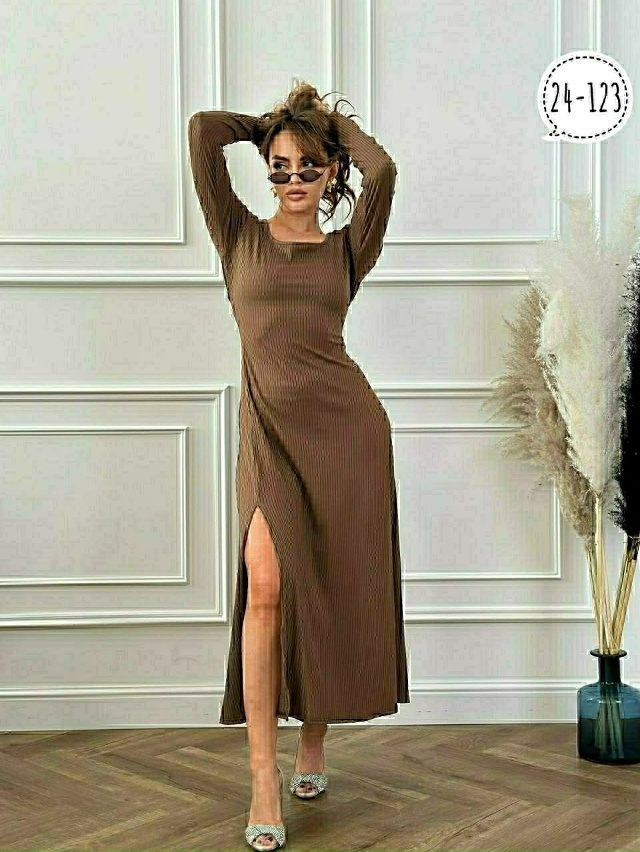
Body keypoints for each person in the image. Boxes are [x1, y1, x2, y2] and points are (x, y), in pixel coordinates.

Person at [188, 79, 410, 851]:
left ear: (329, 171)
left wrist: (326, 129)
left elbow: (384, 171)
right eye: (279, 167)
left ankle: (313, 743)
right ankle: (263, 775)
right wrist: (271, 125)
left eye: (308, 167)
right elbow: (201, 132)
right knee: (268, 585)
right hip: (268, 437)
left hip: (346, 434)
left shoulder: (349, 246)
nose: (291, 179)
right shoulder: (237, 235)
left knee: (324, 583)